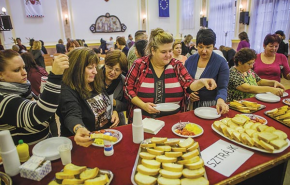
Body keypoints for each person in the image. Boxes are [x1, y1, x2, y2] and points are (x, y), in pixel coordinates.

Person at [124, 28, 217, 124]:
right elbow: (128, 89)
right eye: (163, 52)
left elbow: (189, 85)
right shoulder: (140, 65)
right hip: (143, 122)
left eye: (170, 51)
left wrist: (201, 82)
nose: (168, 55)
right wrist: (143, 105)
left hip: (174, 122)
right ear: (153, 50)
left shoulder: (176, 65)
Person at [0, 50, 69, 145]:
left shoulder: (23, 90)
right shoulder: (3, 100)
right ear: (1, 74)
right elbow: (40, 113)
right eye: (16, 70)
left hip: (42, 149)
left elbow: (47, 117)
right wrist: (55, 76)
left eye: (23, 67)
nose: (24, 73)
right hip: (25, 156)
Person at [57, 48, 120, 147]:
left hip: (103, 139)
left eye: (95, 67)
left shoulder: (94, 81)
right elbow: (71, 114)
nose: (95, 71)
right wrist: (78, 128)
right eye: (90, 67)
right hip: (84, 144)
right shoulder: (67, 90)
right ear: (77, 69)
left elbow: (105, 100)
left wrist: (114, 110)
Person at [185, 29, 229, 114]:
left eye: (208, 47)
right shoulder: (190, 60)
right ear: (196, 45)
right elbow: (184, 83)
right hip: (191, 105)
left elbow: (222, 87)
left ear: (213, 46)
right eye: (200, 47)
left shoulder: (221, 62)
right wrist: (189, 94)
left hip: (210, 105)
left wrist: (220, 100)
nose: (204, 51)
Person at [102, 50, 128, 125]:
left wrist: (115, 104)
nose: (112, 72)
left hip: (116, 122)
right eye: (110, 67)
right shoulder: (95, 77)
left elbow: (126, 104)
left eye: (117, 70)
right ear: (105, 65)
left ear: (121, 71)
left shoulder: (124, 82)